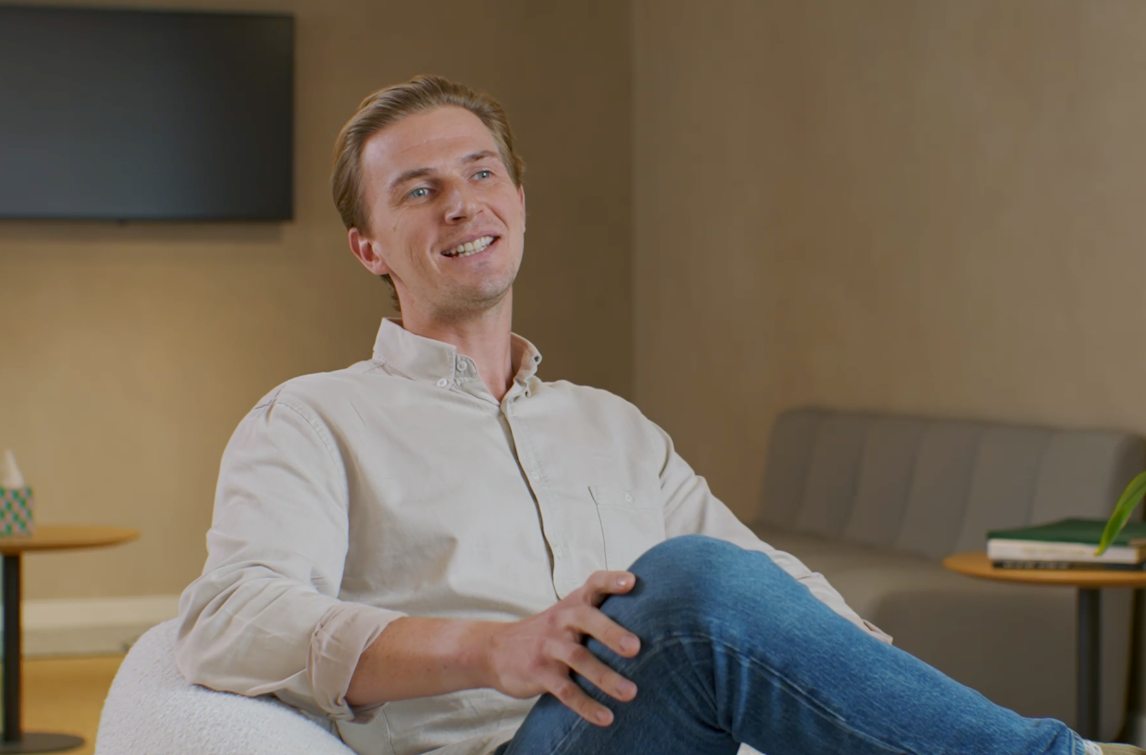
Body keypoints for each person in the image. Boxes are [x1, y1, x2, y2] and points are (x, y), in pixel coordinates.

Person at [175, 75, 1142, 755]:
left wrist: (886, 700)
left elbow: (770, 587)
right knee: (683, 588)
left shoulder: (613, 426)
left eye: (480, 173)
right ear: (368, 248)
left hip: (657, 738)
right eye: (418, 191)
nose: (461, 205)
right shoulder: (309, 418)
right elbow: (226, 619)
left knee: (715, 580)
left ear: (518, 199)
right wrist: (494, 647)